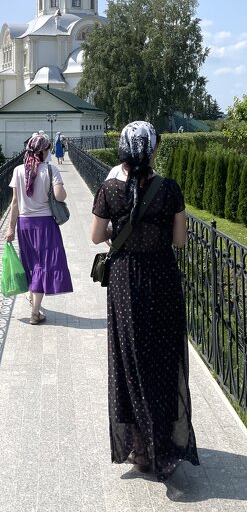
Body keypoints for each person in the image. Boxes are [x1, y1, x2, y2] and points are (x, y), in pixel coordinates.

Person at [91, 121, 199, 481]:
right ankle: (165, 442)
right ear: (153, 150)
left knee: (129, 358)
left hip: (124, 281)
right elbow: (180, 241)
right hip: (163, 279)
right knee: (163, 356)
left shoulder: (109, 190)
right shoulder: (169, 189)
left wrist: (123, 232)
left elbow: (95, 237)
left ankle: (139, 447)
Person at [6, 132, 73, 324]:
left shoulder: (18, 171)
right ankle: (35, 311)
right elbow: (60, 197)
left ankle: (32, 298)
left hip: (25, 224)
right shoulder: (51, 171)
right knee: (43, 265)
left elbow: (15, 203)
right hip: (45, 225)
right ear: (43, 151)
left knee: (31, 263)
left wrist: (10, 229)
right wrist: (60, 187)